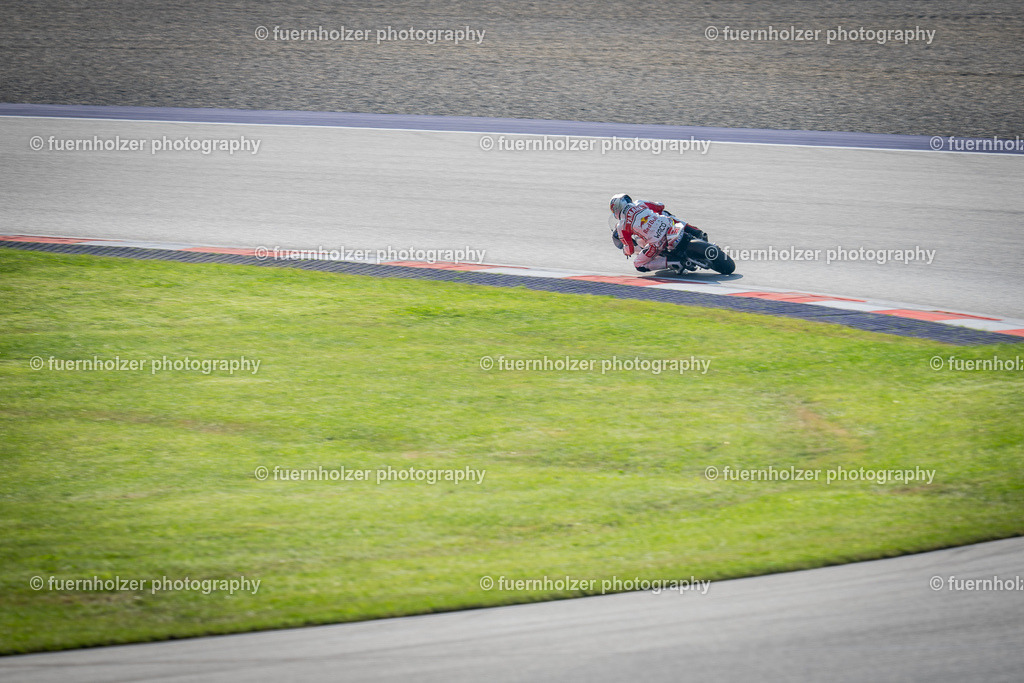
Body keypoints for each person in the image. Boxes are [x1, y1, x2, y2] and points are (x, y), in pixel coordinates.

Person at [609, 193, 707, 272]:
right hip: (668, 225)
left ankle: (677, 263)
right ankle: (696, 232)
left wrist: (625, 252)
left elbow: (629, 249)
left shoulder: (621, 226)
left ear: (616, 210)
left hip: (658, 243)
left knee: (638, 264)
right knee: (666, 214)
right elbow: (660, 206)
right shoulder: (639, 202)